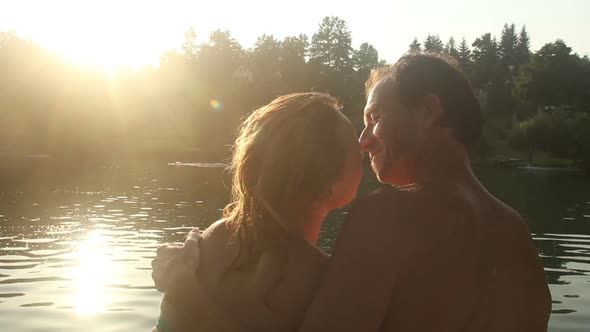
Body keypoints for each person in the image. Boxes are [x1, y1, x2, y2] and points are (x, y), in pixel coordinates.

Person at [154, 53, 552, 332]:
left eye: (375, 118)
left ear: (429, 113)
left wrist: (187, 295)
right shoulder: (516, 232)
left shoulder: (387, 217)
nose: (364, 141)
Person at [151, 92, 363, 332]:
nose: (365, 144)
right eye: (356, 145)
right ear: (327, 184)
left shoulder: (216, 236)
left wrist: (183, 295)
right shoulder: (325, 282)